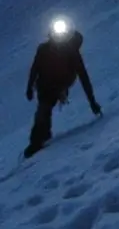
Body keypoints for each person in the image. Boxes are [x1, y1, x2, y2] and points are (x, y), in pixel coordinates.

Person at [24, 18, 102, 157]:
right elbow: (35, 68)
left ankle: (36, 141)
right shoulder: (43, 50)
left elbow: (84, 78)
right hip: (45, 85)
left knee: (44, 109)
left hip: (57, 87)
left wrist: (92, 102)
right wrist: (29, 87)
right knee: (44, 109)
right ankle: (41, 137)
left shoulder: (72, 54)